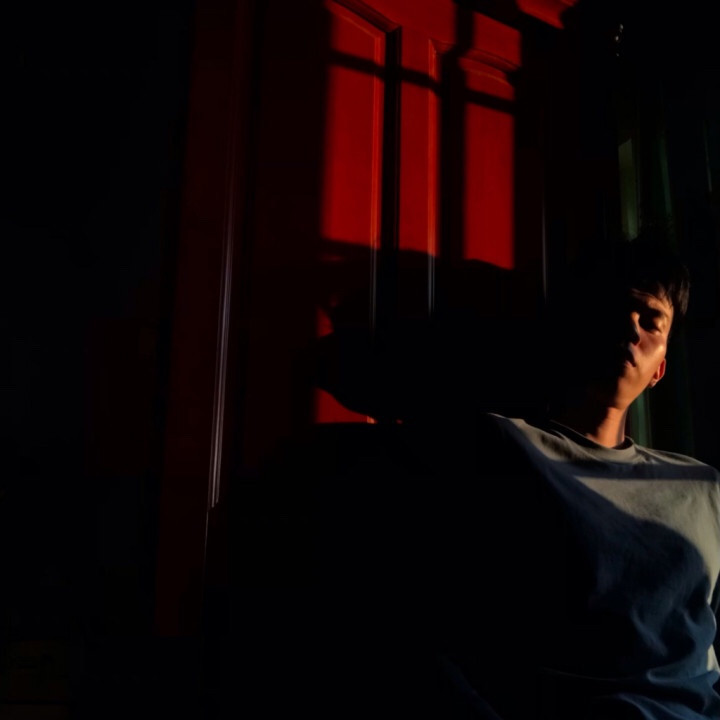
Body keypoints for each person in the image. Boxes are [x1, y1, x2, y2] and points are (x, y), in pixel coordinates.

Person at [408, 235, 720, 719]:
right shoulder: (504, 447)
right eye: (616, 310)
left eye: (651, 321)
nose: (631, 328)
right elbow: (433, 625)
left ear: (660, 369)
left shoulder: (702, 487)